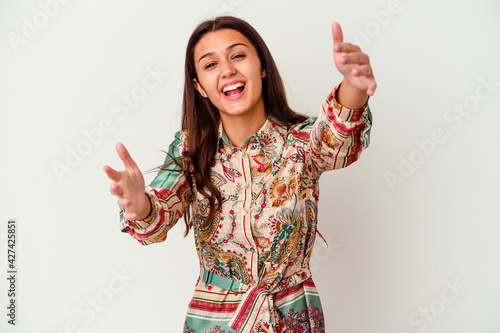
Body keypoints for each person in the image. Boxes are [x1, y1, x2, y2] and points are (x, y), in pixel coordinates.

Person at [103, 15, 375, 333]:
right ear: (199, 87)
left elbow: (338, 140)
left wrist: (354, 86)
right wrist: (140, 205)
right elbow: (156, 218)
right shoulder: (190, 150)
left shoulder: (301, 142)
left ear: (261, 66)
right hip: (215, 320)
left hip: (293, 316)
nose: (227, 70)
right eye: (210, 64)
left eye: (238, 55)